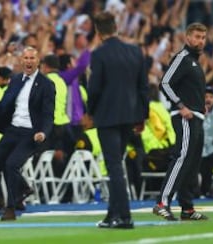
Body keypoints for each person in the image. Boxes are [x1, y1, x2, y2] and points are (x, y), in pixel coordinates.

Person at [0, 46, 55, 221]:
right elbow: (2, 106)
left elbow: (49, 114)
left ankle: (11, 208)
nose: (28, 61)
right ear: (21, 60)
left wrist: (43, 132)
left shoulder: (47, 84)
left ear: (38, 61)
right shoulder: (16, 80)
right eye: (25, 58)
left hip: (32, 133)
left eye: (32, 58)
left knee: (11, 165)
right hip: (12, 130)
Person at [87, 11, 149, 229]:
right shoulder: (135, 51)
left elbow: (94, 89)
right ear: (115, 27)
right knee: (117, 165)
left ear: (97, 30)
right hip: (130, 116)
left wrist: (89, 112)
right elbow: (143, 86)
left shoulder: (99, 54)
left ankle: (124, 216)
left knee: (114, 166)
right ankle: (111, 214)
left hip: (107, 117)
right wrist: (143, 115)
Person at [154, 22, 208, 221]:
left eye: (202, 38)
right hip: (185, 116)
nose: (199, 41)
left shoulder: (194, 61)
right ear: (187, 38)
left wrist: (202, 106)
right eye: (196, 37)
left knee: (192, 163)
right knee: (182, 157)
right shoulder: (183, 57)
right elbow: (165, 83)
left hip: (197, 116)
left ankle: (187, 207)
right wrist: (180, 105)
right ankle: (162, 202)